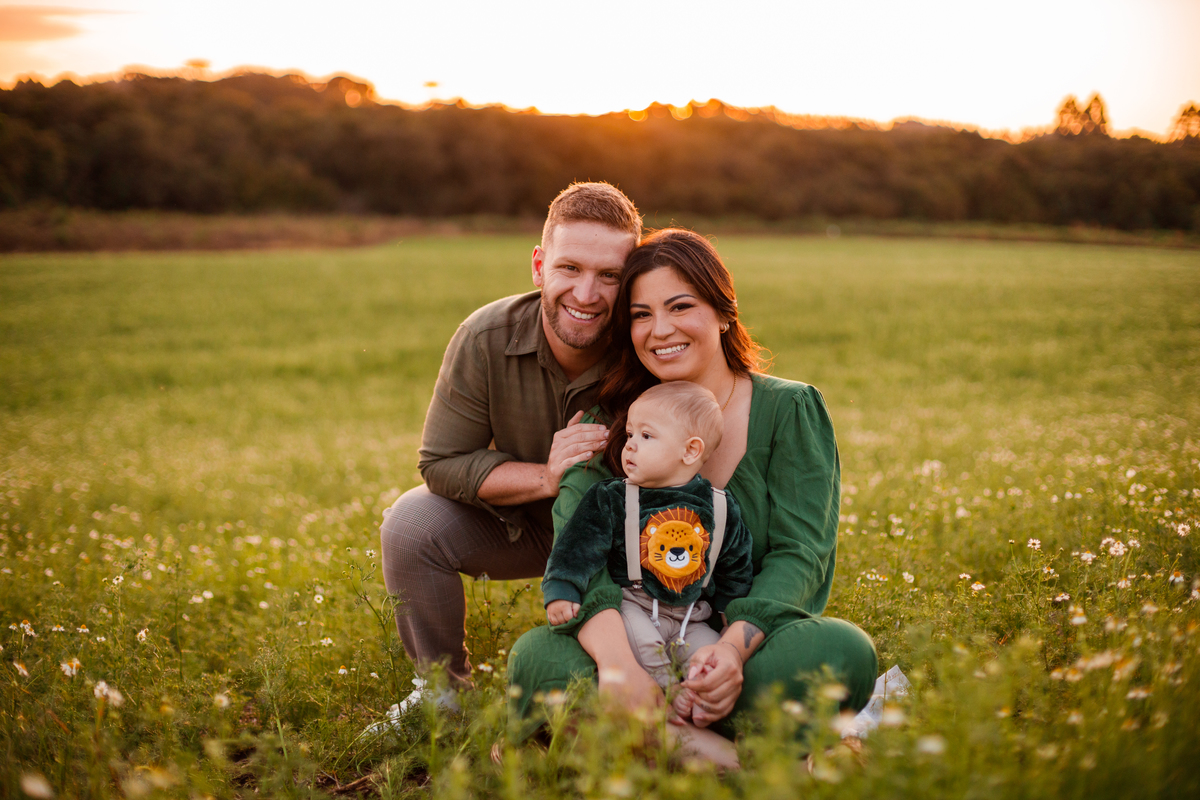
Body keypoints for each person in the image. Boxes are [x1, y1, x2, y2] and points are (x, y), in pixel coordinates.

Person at [508, 228, 877, 748]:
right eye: (641, 315)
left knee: (843, 650)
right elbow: (578, 551)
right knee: (537, 658)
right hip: (629, 644)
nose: (660, 330)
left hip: (740, 651)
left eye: (680, 306)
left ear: (724, 312)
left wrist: (729, 654)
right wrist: (619, 670)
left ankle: (648, 743)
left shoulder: (790, 409)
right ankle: (729, 759)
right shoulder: (608, 425)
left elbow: (800, 554)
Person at [376, 182, 642, 718]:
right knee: (410, 524)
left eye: (609, 276)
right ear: (539, 266)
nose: (587, 294)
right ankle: (442, 698)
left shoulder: (648, 341)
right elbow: (441, 463)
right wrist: (545, 477)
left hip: (631, 538)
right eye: (570, 268)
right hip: (527, 527)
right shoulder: (485, 337)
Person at [542, 381, 754, 767]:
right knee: (645, 648)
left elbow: (735, 567)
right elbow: (577, 547)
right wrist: (562, 587)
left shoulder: (721, 507)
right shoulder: (612, 498)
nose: (630, 446)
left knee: (708, 657)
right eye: (629, 435)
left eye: (646, 436)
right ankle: (669, 707)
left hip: (692, 616)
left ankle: (697, 705)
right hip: (635, 605)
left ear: (691, 450)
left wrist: (729, 614)